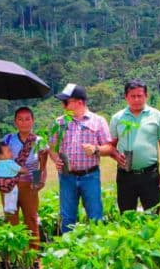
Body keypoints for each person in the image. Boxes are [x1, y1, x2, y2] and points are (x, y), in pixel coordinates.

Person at [48, 83, 114, 233]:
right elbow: (52, 147)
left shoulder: (98, 121)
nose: (63, 106)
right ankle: (68, 251)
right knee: (67, 217)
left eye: (66, 102)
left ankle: (95, 251)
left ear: (79, 102)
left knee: (95, 215)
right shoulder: (59, 122)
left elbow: (109, 147)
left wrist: (96, 149)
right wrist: (55, 159)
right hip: (67, 177)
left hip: (90, 175)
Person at [109, 79, 160, 213]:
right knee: (126, 215)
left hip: (150, 174)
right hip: (125, 174)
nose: (136, 99)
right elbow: (111, 146)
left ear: (146, 96)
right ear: (126, 97)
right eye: (132, 96)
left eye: (140, 96)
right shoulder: (117, 118)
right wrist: (117, 156)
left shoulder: (157, 116)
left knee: (152, 215)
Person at [0, 106, 47, 250]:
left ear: (33, 121)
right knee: (11, 219)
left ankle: (32, 256)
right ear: (15, 122)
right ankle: (16, 254)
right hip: (10, 187)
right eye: (20, 119)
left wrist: (38, 183)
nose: (24, 122)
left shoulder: (40, 141)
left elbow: (41, 167)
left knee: (31, 219)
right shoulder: (8, 140)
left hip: (29, 186)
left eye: (27, 119)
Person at [0, 141, 23, 215]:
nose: (11, 153)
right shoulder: (9, 162)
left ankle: (8, 207)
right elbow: (18, 169)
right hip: (10, 182)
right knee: (13, 193)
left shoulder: (0, 163)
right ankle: (11, 207)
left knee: (7, 196)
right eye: (9, 151)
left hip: (0, 182)